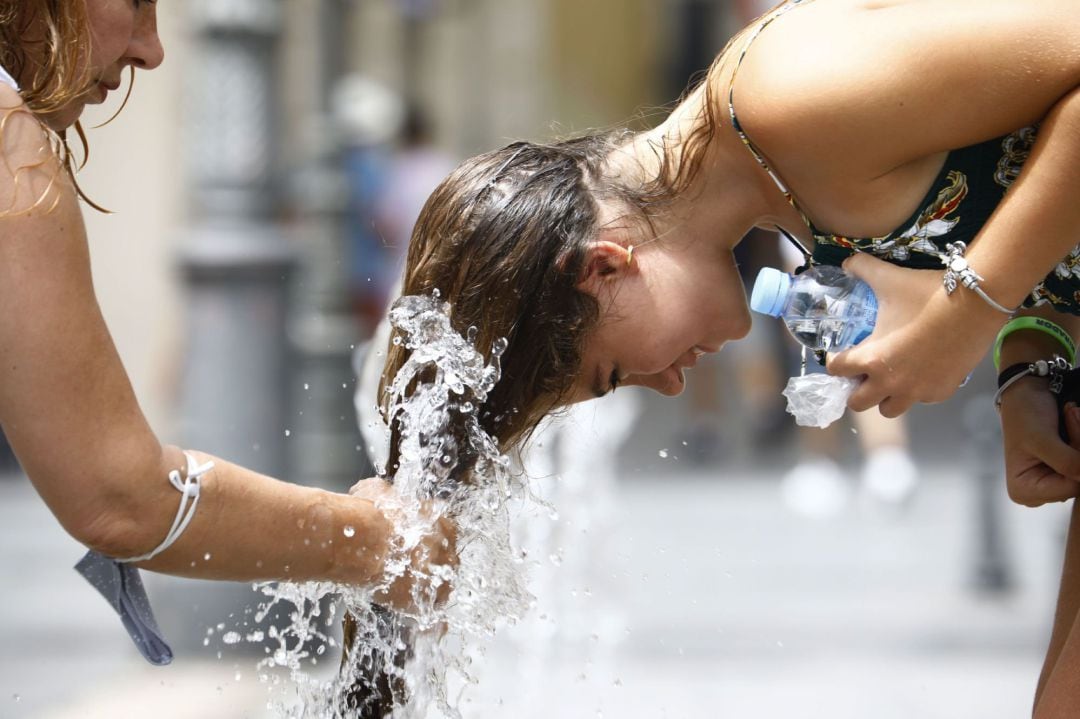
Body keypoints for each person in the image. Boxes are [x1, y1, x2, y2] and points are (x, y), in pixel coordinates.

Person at [378, 0, 1080, 714]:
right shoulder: (788, 188)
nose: (670, 384)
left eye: (614, 376)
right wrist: (1031, 360)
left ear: (601, 268)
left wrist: (966, 317)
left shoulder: (791, 95)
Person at [0, 1, 452, 665]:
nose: (152, 49)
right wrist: (379, 538)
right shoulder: (11, 145)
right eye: (135, 3)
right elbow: (119, 497)